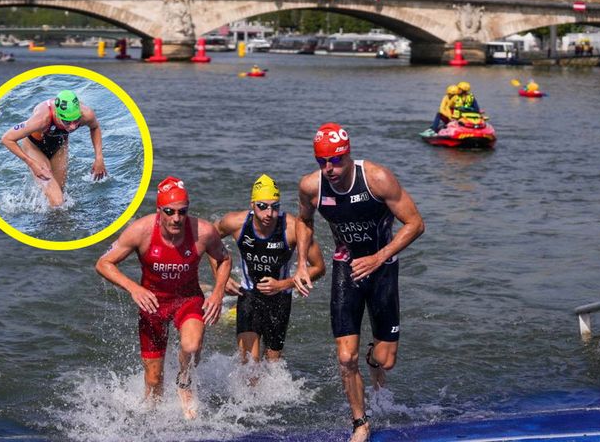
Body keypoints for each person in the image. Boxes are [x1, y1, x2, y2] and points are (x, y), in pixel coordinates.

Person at [292, 123, 424, 442]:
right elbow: (304, 221)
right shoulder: (312, 187)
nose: (329, 168)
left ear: (348, 154)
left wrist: (379, 257)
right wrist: (301, 264)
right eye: (322, 161)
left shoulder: (377, 179)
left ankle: (372, 357)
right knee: (344, 357)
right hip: (346, 269)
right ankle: (360, 422)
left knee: (385, 361)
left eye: (335, 161)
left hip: (382, 270)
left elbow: (416, 223)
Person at [95, 176, 231, 419]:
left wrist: (218, 292)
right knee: (153, 381)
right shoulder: (141, 231)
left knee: (191, 345)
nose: (177, 218)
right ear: (159, 211)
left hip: (187, 300)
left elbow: (224, 258)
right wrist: (133, 288)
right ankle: (153, 421)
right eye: (170, 212)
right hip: (153, 304)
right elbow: (104, 263)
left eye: (182, 212)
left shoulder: (204, 232)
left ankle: (184, 381)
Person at [212, 174, 325, 365]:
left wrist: (283, 284)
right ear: (252, 204)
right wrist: (220, 277)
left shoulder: (292, 228)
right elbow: (208, 239)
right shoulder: (236, 223)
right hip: (248, 294)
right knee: (249, 363)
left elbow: (319, 267)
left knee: (272, 364)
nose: (269, 214)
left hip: (280, 300)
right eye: (262, 207)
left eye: (275, 207)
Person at [1, 90, 106, 207]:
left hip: (59, 146)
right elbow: (7, 138)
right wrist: (32, 163)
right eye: (67, 121)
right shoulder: (41, 120)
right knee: (57, 201)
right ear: (57, 114)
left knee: (61, 193)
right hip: (34, 147)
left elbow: (95, 127)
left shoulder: (86, 114)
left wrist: (99, 157)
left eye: (76, 120)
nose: (72, 126)